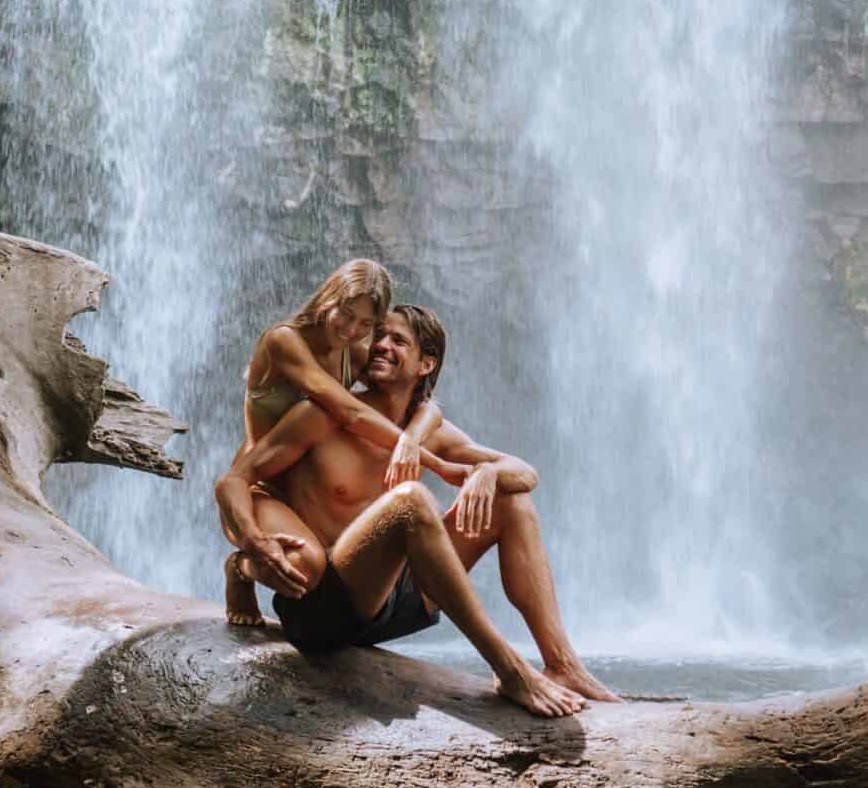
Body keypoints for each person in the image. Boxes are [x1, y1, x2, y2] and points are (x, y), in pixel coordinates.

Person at [215, 304, 618, 716]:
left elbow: (525, 472)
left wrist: (487, 474)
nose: (382, 346)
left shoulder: (430, 431)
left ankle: (561, 663)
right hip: (320, 605)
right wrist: (253, 541)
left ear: (426, 363)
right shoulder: (325, 414)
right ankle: (510, 669)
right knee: (411, 501)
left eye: (398, 340)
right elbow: (240, 477)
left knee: (511, 500)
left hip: (397, 602)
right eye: (380, 336)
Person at [225, 260, 445, 626]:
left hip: (303, 489)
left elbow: (426, 403)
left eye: (366, 325)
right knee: (305, 567)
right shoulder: (283, 341)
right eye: (346, 314)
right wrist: (421, 453)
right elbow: (349, 412)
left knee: (324, 572)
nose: (352, 329)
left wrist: (412, 436)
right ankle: (240, 569)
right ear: (329, 295)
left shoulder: (352, 350)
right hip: (260, 485)